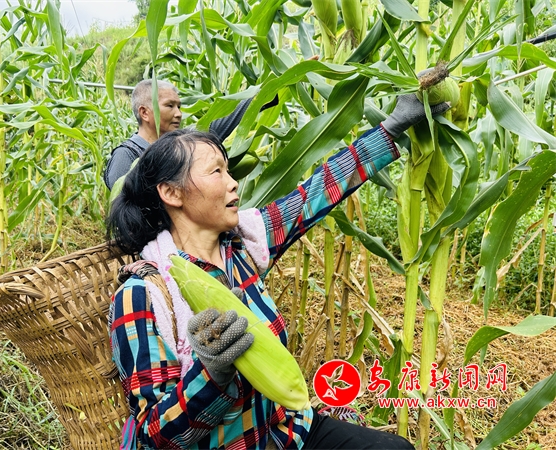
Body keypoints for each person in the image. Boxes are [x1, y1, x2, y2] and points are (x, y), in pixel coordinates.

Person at [106, 93, 450, 449]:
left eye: (228, 170)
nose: (233, 182)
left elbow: (316, 192)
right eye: (216, 171)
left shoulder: (244, 243)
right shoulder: (143, 294)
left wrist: (390, 128)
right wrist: (212, 372)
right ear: (171, 193)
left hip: (285, 431)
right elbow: (155, 434)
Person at [103, 79, 277, 190]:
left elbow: (226, 118)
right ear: (144, 113)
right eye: (170, 106)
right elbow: (124, 207)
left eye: (179, 106)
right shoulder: (126, 155)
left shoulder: (185, 142)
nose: (179, 114)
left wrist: (273, 88)